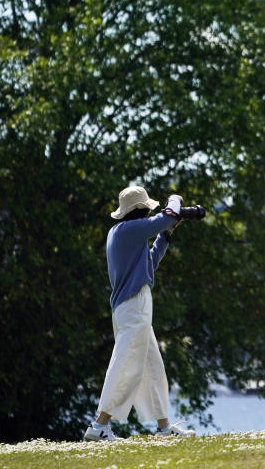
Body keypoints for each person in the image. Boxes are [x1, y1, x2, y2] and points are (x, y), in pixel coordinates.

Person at [83, 185, 197, 441]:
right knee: (126, 365)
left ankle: (164, 428)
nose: (148, 212)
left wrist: (166, 235)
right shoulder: (129, 231)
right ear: (139, 210)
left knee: (151, 366)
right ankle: (100, 426)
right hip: (134, 306)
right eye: (146, 209)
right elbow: (168, 214)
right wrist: (176, 201)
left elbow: (151, 263)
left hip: (134, 306)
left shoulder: (125, 233)